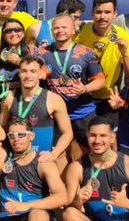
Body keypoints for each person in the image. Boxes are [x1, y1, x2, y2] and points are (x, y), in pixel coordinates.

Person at [41, 14, 105, 159]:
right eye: (56, 27)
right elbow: (35, 71)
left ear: (73, 30)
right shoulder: (43, 53)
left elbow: (100, 80)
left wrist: (85, 89)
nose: (60, 30)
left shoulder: (87, 53)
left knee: (91, 151)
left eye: (64, 27)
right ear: (51, 31)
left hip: (82, 112)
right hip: (56, 114)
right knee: (57, 153)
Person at [0, 55, 73, 167]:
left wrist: (54, 154)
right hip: (18, 158)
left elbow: (67, 132)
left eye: (33, 71)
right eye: (24, 71)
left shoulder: (54, 99)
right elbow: (1, 125)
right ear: (19, 74)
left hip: (43, 159)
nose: (28, 75)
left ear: (40, 74)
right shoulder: (9, 98)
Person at [74, 0, 129, 126]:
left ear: (115, 14)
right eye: (99, 12)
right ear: (92, 13)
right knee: (84, 141)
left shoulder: (124, 37)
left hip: (109, 99)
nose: (102, 17)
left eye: (107, 12)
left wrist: (124, 53)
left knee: (107, 141)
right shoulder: (81, 33)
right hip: (83, 95)